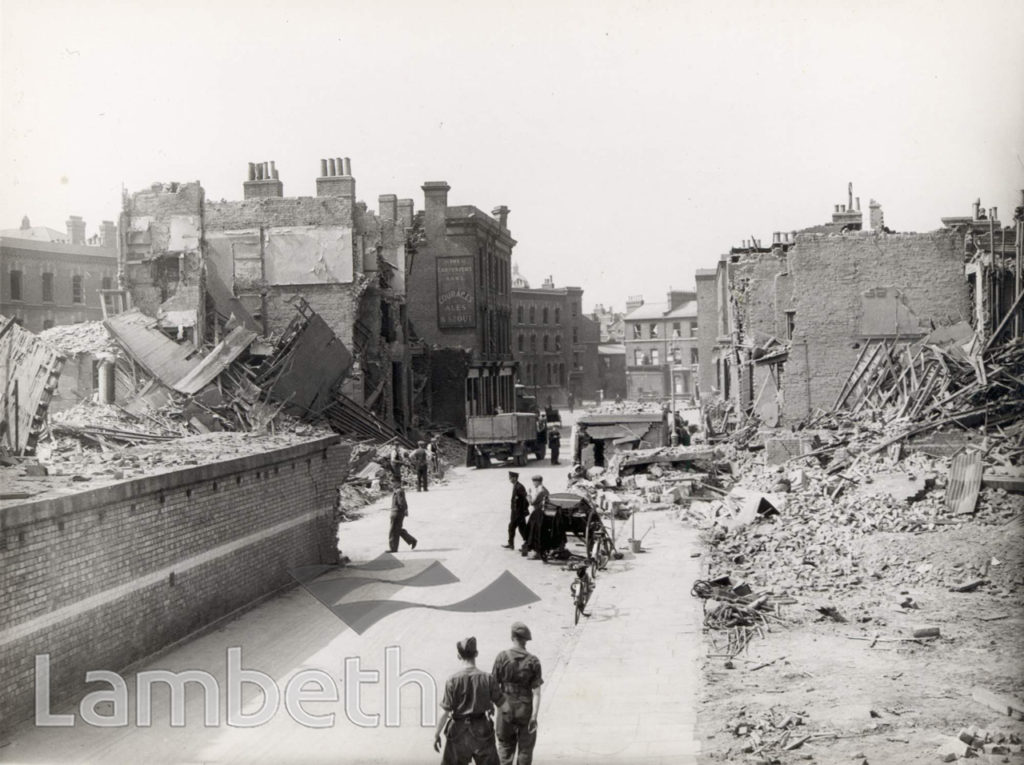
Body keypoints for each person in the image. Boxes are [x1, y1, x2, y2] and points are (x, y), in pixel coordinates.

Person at [434, 637, 506, 765]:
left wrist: (436, 734)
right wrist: (499, 728)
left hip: (458, 732)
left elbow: (445, 712)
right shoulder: (488, 678)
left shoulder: (452, 680)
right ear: (476, 654)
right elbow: (503, 706)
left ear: (458, 656)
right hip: (482, 730)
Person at [492, 622, 543, 765]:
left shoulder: (501, 657)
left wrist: (495, 708)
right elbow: (537, 693)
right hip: (525, 710)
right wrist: (534, 716)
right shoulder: (534, 661)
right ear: (526, 640)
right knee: (525, 750)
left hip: (505, 709)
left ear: (512, 637)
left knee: (505, 748)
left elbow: (493, 687)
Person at [521, 476, 549, 560]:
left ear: (537, 481)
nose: (533, 484)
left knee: (534, 532)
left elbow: (532, 502)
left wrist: (528, 494)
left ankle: (536, 552)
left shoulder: (540, 491)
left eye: (534, 482)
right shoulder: (543, 489)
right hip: (540, 512)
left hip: (538, 513)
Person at [388, 482, 417, 553]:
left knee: (393, 531)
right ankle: (412, 540)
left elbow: (401, 503)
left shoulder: (398, 492)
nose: (390, 486)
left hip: (397, 513)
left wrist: (402, 511)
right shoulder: (399, 491)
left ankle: (393, 549)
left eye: (391, 484)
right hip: (397, 512)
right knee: (397, 529)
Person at [503, 471, 529, 550]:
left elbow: (525, 500)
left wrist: (522, 511)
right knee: (521, 528)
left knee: (515, 527)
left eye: (510, 478)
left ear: (514, 478)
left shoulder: (519, 487)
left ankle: (525, 544)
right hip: (515, 512)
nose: (509, 479)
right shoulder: (516, 486)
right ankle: (526, 543)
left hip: (518, 512)